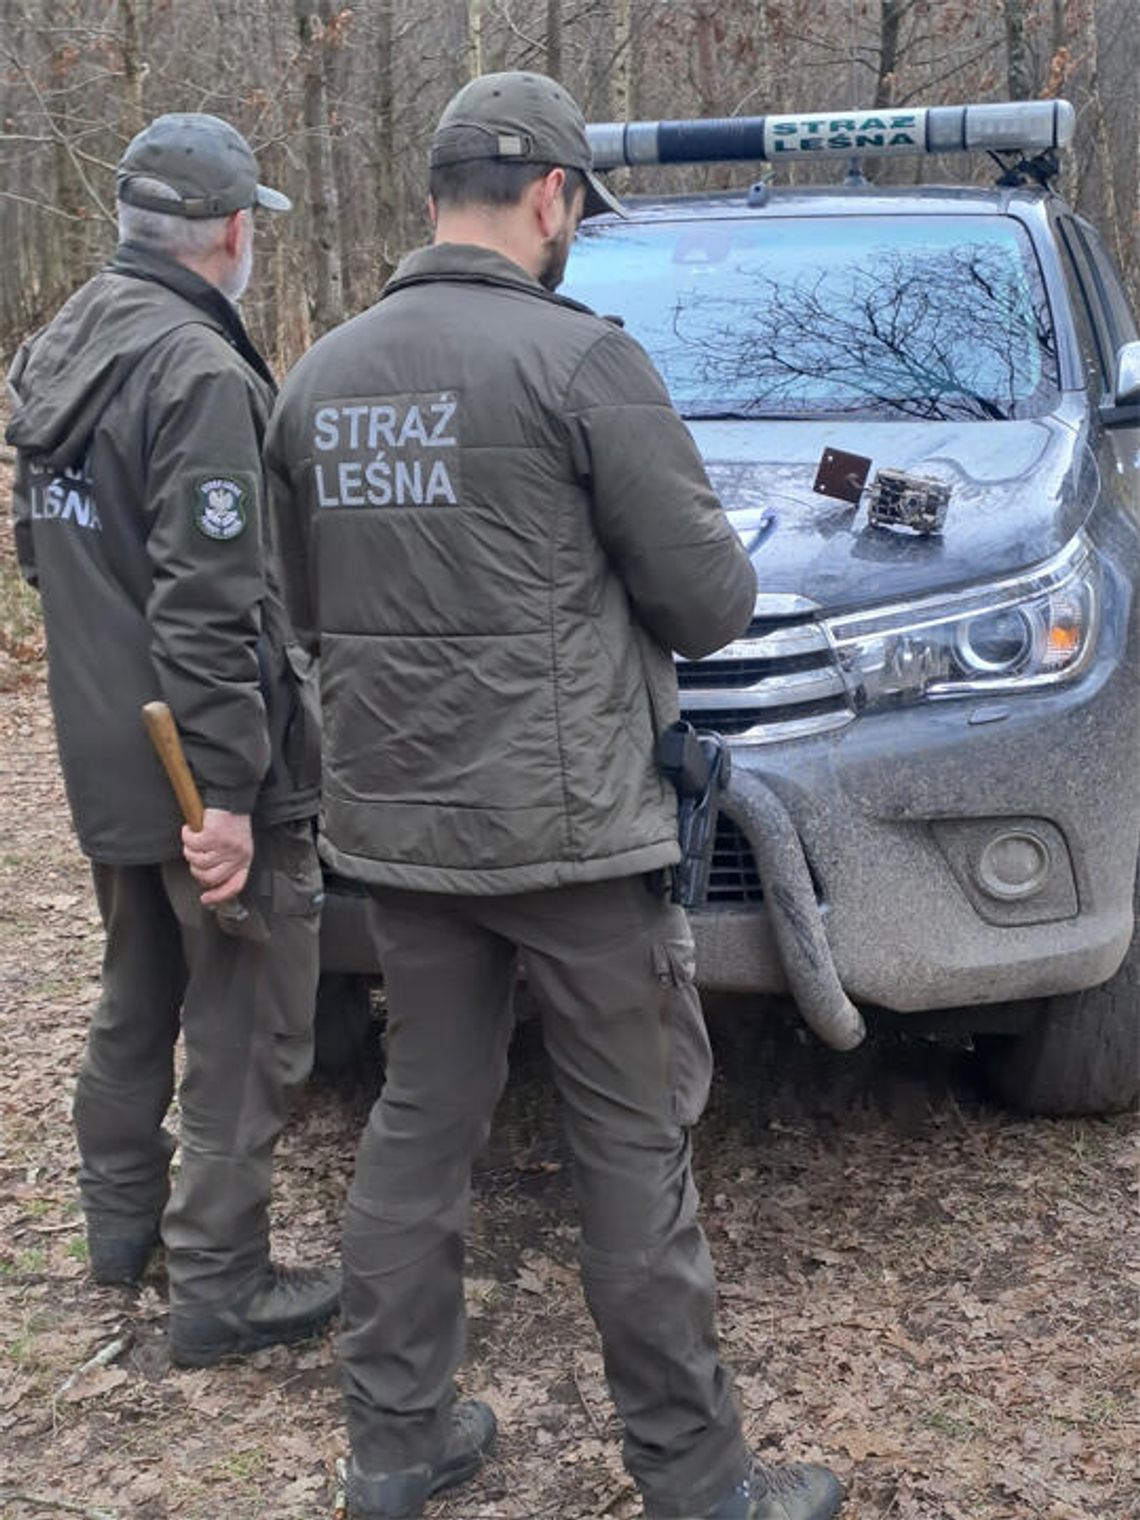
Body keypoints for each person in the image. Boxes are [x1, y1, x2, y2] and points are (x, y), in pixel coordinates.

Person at [266, 71, 844, 1520]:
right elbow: (710, 604)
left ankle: (392, 1454)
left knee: (420, 1127)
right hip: (578, 839)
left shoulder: (317, 380)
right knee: (630, 1154)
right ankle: (700, 1483)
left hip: (401, 837)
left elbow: (296, 606)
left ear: (432, 196)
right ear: (552, 199)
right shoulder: (584, 364)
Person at [6, 113, 340, 1368]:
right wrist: (235, 795)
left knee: (137, 991)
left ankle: (120, 1232)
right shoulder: (197, 373)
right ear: (235, 233)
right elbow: (213, 606)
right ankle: (221, 1283)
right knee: (247, 1013)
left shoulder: (60, 346)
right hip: (193, 765)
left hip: (105, 744)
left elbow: (43, 553)